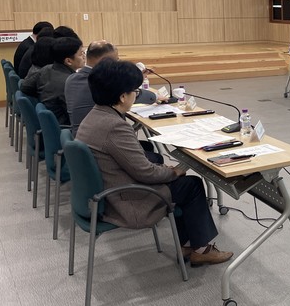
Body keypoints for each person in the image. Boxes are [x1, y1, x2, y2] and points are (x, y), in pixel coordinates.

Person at [76, 59, 233, 266]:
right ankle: (201, 250)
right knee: (191, 185)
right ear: (122, 97)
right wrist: (172, 172)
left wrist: (163, 170)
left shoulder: (96, 115)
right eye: (135, 91)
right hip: (124, 199)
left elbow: (135, 164)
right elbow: (145, 173)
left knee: (176, 179)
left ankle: (188, 244)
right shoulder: (114, 126)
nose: (136, 95)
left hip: (105, 192)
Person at [21, 37, 86, 125]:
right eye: (81, 54)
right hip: (64, 127)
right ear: (68, 61)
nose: (84, 57)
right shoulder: (69, 83)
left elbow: (25, 87)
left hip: (49, 124)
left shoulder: (46, 69)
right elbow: (77, 114)